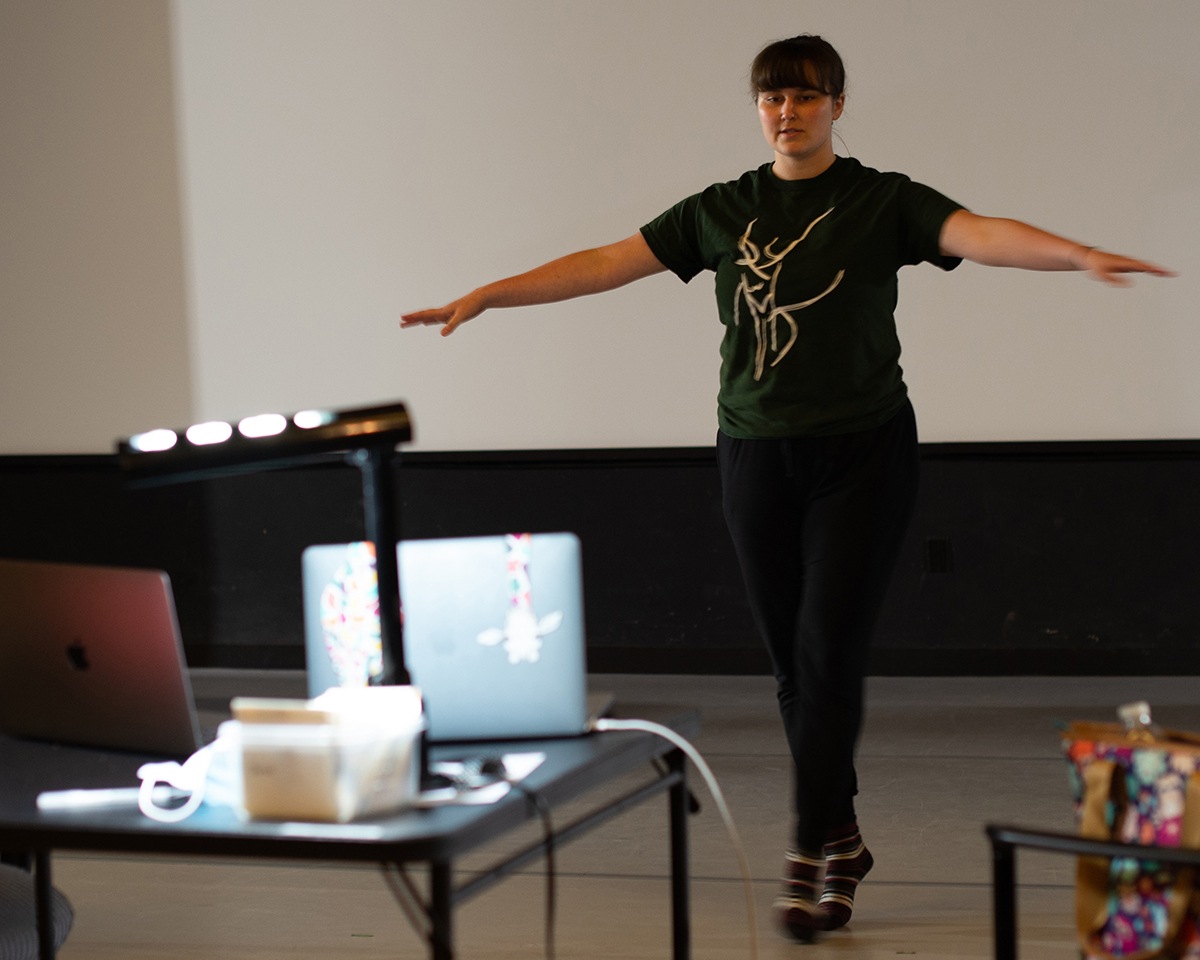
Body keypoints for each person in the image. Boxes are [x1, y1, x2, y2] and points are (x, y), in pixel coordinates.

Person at [401, 34, 1173, 942]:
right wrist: (490, 294)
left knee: (827, 653)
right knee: (791, 668)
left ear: (837, 106)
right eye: (772, 97)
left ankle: (810, 845)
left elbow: (979, 231)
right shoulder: (724, 209)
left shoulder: (881, 199)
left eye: (806, 97)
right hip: (755, 455)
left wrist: (1074, 253)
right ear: (759, 109)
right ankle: (840, 831)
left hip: (865, 455)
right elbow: (609, 261)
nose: (787, 111)